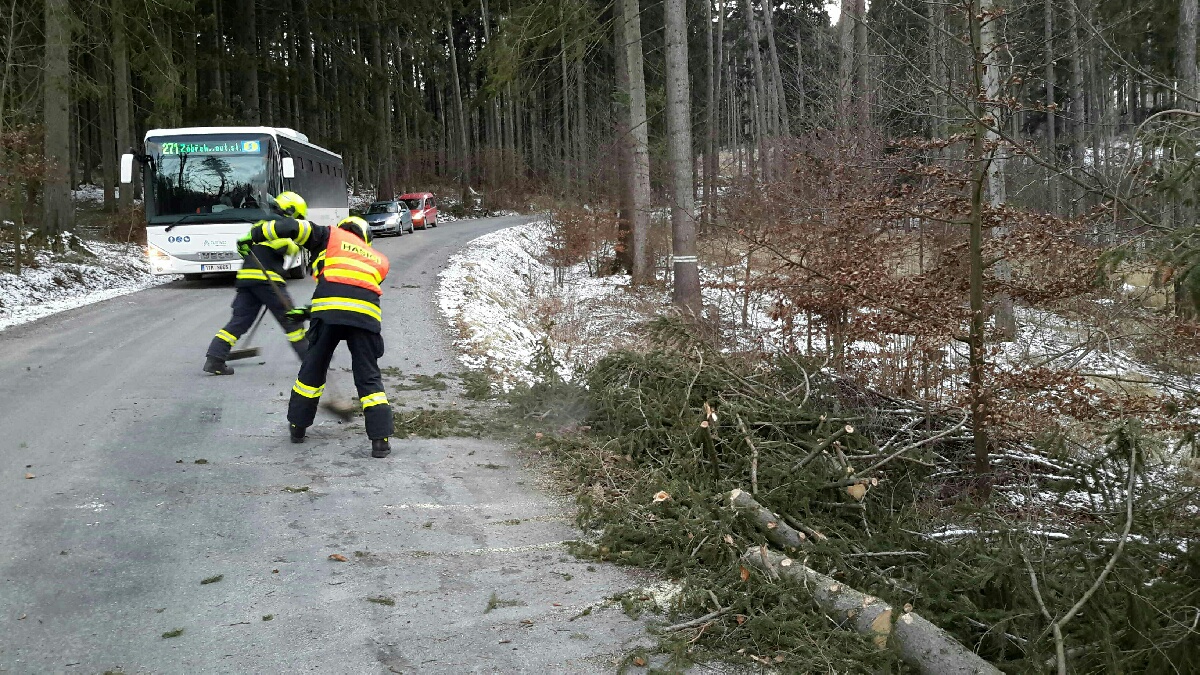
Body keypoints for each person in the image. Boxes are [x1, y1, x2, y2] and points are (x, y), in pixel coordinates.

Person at [239, 214, 394, 458]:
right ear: (367, 238)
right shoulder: (380, 260)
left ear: (344, 228)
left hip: (329, 313)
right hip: (365, 317)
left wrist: (255, 235)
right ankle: (380, 440)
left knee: (312, 370)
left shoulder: (330, 236)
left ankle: (297, 427)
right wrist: (307, 311)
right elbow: (351, 291)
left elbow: (290, 226)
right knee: (368, 377)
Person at [203, 191, 310, 376]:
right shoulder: (277, 225)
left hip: (247, 280)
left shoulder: (260, 224)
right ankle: (311, 362)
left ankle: (215, 358)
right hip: (267, 281)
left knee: (239, 322)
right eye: (297, 218)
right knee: (291, 321)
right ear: (290, 211)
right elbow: (282, 245)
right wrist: (294, 245)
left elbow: (246, 249)